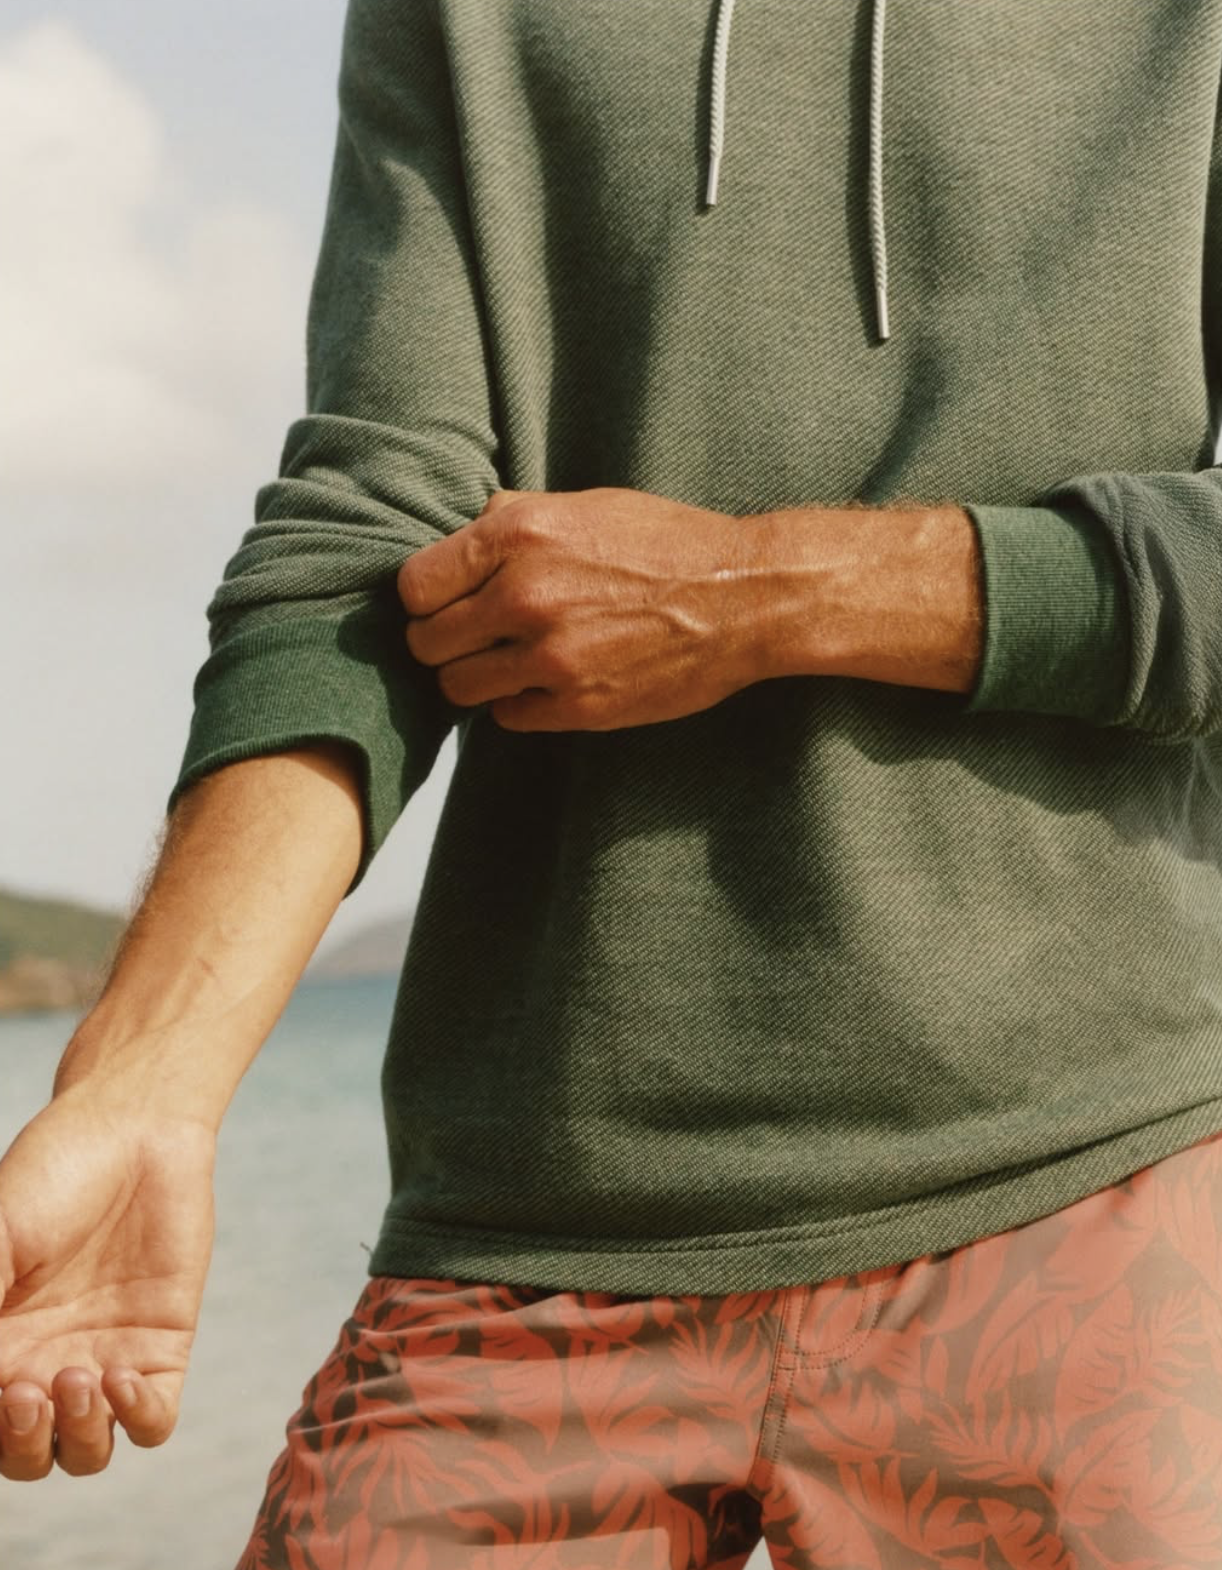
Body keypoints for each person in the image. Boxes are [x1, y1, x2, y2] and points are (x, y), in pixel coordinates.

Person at [5, 0, 1222, 1562]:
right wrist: (143, 1092)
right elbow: (363, 544)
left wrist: (762, 593)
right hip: (530, 1228)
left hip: (1089, 1180)